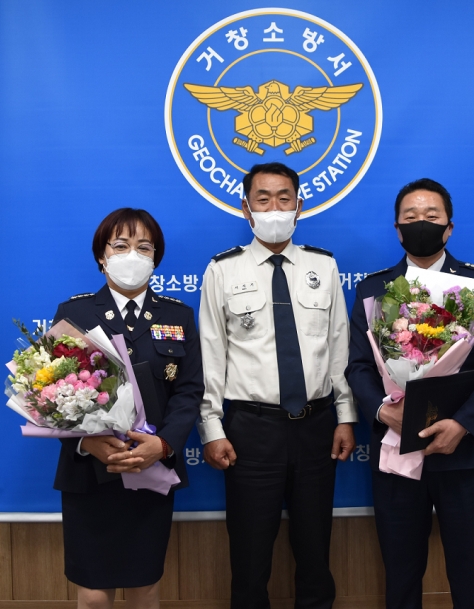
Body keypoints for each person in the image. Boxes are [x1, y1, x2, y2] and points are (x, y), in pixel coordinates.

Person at [345, 178, 474, 609]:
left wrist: (463, 424)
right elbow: (358, 366)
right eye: (411, 217)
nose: (420, 223)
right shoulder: (373, 289)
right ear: (397, 229)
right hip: (396, 449)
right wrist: (383, 411)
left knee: (471, 571)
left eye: (431, 216)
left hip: (464, 454)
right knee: (401, 572)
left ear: (449, 227)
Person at [198, 162, 357, 609]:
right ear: (245, 207)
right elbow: (211, 355)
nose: (274, 208)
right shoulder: (222, 270)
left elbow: (338, 346)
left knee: (315, 550)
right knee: (250, 556)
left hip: (316, 426)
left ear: (299, 205)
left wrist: (346, 416)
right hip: (251, 429)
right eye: (263, 199)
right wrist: (211, 428)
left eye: (284, 198)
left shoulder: (323, 266)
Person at [52, 208, 204, 609]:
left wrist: (164, 444)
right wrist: (88, 441)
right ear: (102, 256)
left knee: (144, 587)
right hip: (88, 474)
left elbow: (189, 391)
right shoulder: (74, 314)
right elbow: (52, 393)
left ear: (155, 258)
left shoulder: (178, 315)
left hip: (151, 470)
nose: (132, 255)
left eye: (144, 247)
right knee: (93, 595)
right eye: (120, 245)